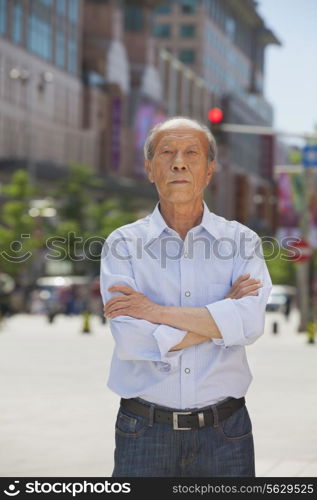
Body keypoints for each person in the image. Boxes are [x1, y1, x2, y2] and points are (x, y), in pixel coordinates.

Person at [100, 117, 272, 477]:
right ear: (149, 169)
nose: (179, 162)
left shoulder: (241, 242)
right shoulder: (122, 244)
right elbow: (132, 340)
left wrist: (154, 311)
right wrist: (223, 318)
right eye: (167, 153)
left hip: (226, 433)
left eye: (191, 153)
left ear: (209, 171)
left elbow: (251, 324)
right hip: (143, 430)